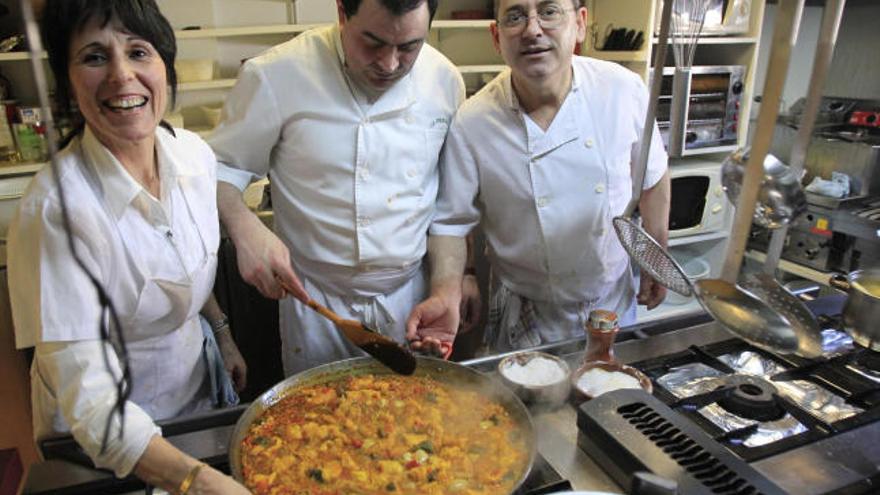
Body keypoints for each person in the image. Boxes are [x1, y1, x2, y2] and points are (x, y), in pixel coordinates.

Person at [8, 1, 249, 492]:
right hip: (98, 441)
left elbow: (183, 262)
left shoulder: (193, 157)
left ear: (164, 64)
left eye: (138, 52)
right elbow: (93, 406)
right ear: (67, 80)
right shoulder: (56, 212)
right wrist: (199, 482)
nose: (122, 76)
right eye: (94, 57)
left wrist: (222, 333)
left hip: (191, 404)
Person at [209, 0, 472, 374]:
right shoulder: (276, 74)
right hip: (316, 303)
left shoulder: (444, 80)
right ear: (341, 13)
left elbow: (448, 210)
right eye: (373, 42)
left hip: (408, 301)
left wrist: (447, 288)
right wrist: (244, 227)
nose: (389, 63)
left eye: (409, 46)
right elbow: (219, 168)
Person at [406, 0, 670, 353]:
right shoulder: (473, 121)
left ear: (580, 23)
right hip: (522, 308)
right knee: (525, 405)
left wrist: (657, 258)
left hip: (610, 302)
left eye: (548, 11)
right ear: (497, 37)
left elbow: (653, 180)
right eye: (515, 17)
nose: (532, 29)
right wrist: (449, 288)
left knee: (608, 399)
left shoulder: (622, 90)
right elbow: (452, 222)